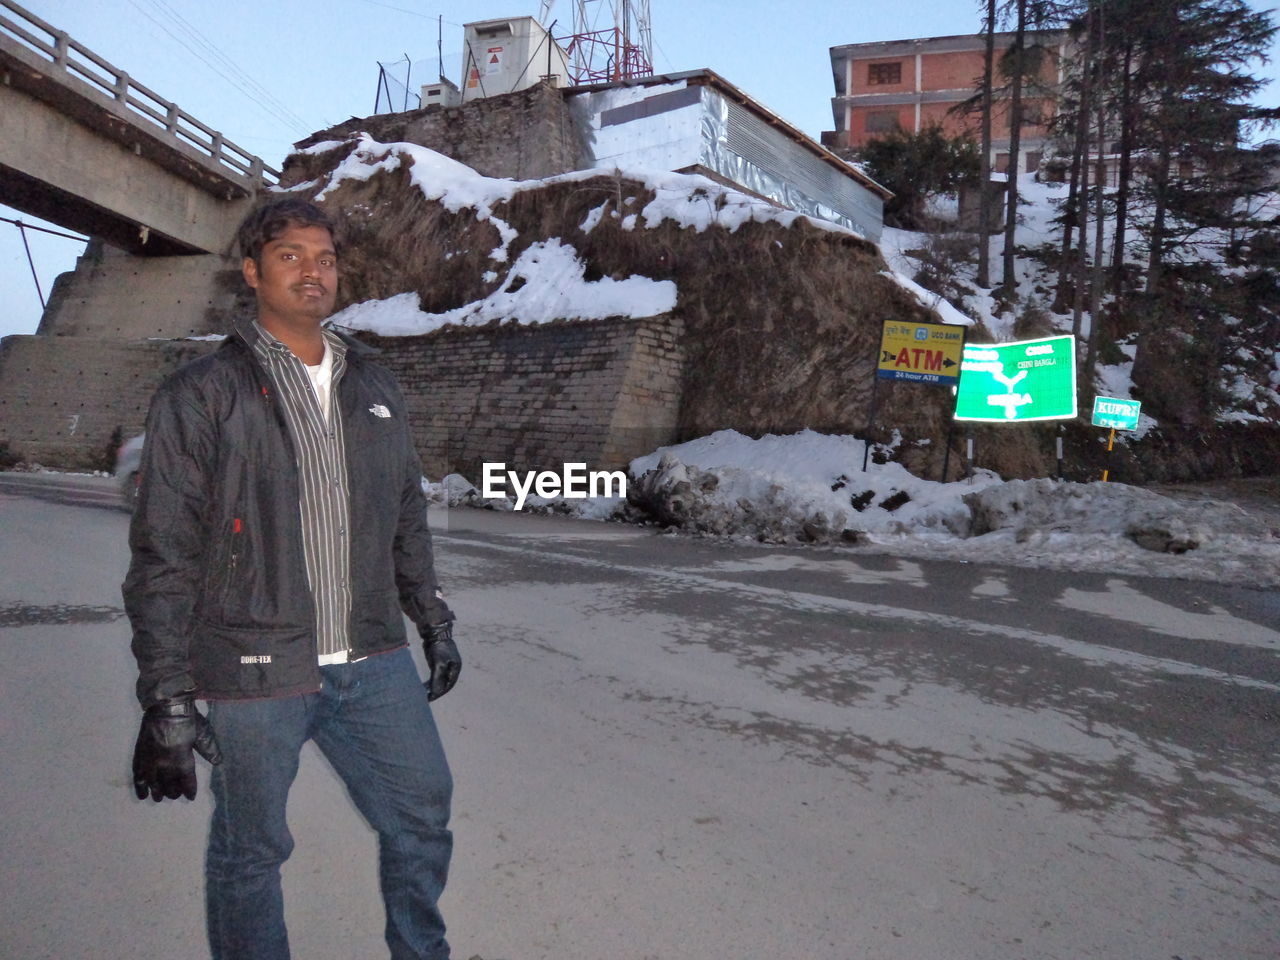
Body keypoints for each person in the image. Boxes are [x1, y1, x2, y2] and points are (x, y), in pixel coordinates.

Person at [122, 197, 461, 960]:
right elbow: (163, 552)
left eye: (325, 258)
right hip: (256, 666)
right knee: (253, 849)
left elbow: (406, 512)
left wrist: (431, 619)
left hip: (372, 657)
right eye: (290, 256)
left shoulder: (375, 385)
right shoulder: (202, 394)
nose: (313, 271)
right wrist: (167, 695)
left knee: (422, 812)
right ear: (252, 272)